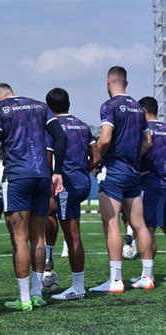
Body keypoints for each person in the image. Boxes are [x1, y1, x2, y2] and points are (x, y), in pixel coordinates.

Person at [0, 82, 66, 311]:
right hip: (42, 177)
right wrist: (57, 172)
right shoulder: (40, 106)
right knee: (38, 237)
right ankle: (37, 294)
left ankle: (24, 298)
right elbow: (61, 137)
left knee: (19, 238)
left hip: (17, 177)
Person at [91, 66, 154, 293]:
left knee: (111, 224)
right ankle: (147, 276)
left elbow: (105, 139)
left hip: (114, 171)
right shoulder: (138, 108)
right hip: (133, 172)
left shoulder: (109, 106)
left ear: (109, 83)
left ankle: (116, 280)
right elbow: (148, 141)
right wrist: (133, 158)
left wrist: (94, 158)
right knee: (139, 224)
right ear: (125, 83)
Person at [44, 88, 101, 300]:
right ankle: (49, 261)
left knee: (72, 236)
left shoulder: (51, 127)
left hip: (65, 184)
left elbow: (48, 161)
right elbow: (96, 156)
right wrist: (82, 170)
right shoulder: (82, 125)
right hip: (82, 183)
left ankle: (78, 288)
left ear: (49, 107)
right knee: (52, 215)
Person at [129, 96, 166, 283]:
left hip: (152, 185)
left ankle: (147, 274)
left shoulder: (143, 131)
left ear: (143, 111)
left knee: (148, 230)